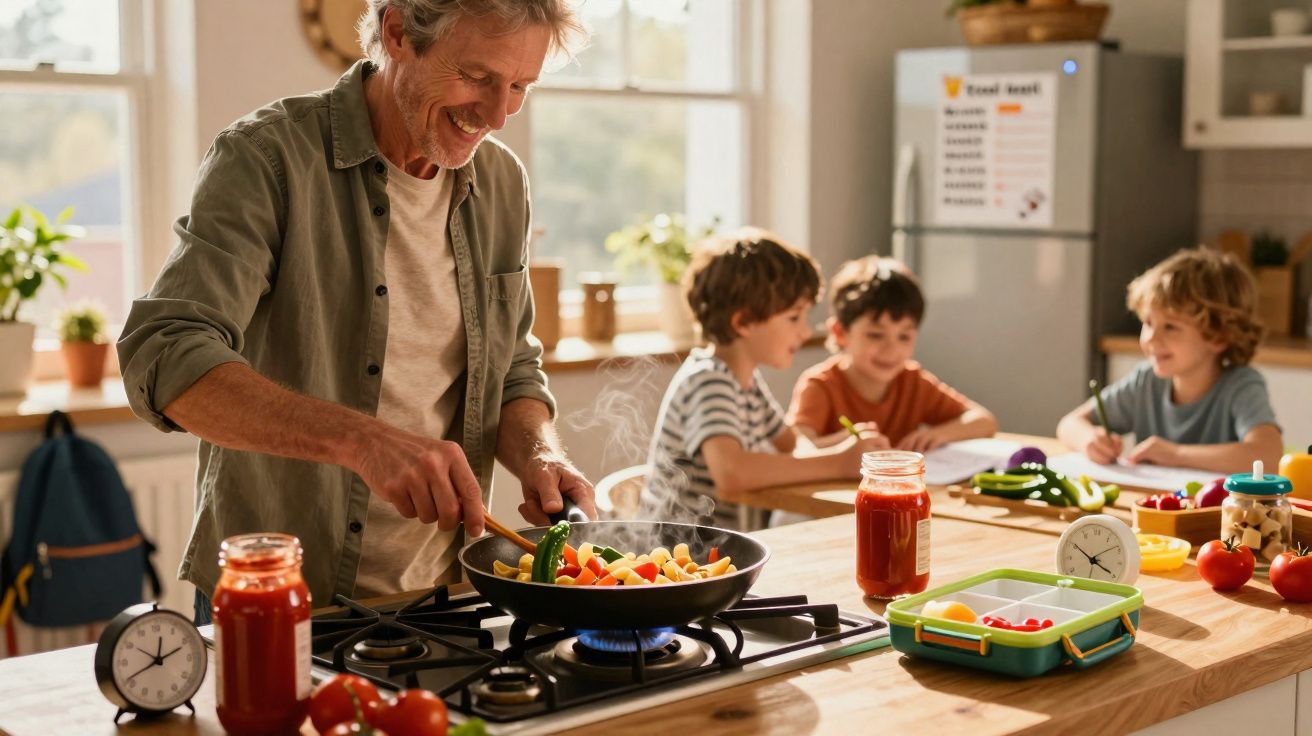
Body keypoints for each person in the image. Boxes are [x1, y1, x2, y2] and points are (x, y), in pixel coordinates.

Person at [116, 0, 596, 622]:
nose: (498, 114)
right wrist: (365, 443)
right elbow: (164, 353)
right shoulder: (267, 157)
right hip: (280, 595)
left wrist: (540, 453)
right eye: (477, 76)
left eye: (520, 87)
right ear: (397, 33)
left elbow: (511, 371)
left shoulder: (502, 182)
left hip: (441, 593)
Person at [644, 230, 885, 529]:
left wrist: (846, 444)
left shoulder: (746, 381)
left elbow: (791, 445)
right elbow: (732, 472)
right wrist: (838, 462)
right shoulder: (708, 382)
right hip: (683, 551)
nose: (805, 331)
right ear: (743, 321)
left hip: (726, 545)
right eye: (794, 317)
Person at [1056, 247, 1282, 473]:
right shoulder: (1145, 381)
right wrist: (1090, 439)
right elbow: (1068, 424)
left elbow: (1269, 456)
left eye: (1170, 327)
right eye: (1148, 322)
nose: (1151, 338)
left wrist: (1176, 454)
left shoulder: (1241, 386)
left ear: (1219, 337)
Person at [788, 256, 997, 452]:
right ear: (840, 333)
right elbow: (797, 448)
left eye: (904, 337)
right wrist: (846, 445)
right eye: (875, 335)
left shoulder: (913, 382)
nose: (892, 350)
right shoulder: (820, 386)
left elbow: (984, 420)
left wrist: (937, 434)